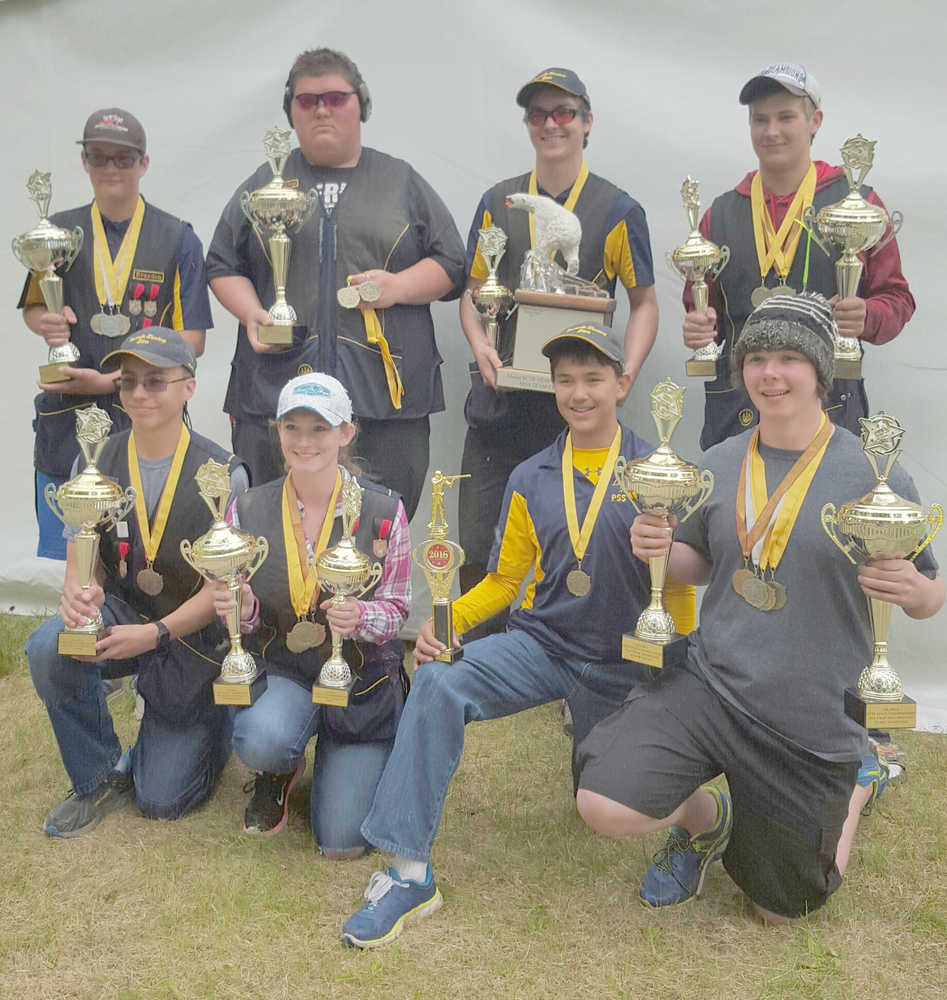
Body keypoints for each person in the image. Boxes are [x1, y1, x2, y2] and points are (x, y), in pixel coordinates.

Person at [576, 293, 943, 922]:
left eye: (789, 358)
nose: (770, 373)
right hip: (714, 685)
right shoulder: (719, 463)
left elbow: (930, 592)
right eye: (757, 357)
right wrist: (660, 549)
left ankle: (858, 778)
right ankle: (708, 817)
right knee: (602, 804)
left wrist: (916, 591)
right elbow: (701, 564)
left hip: (810, 715)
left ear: (821, 372)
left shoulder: (872, 475)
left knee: (781, 911)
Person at [341, 321, 692, 948]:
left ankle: (700, 825)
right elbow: (506, 582)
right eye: (565, 382)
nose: (578, 394)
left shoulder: (660, 474)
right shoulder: (532, 476)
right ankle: (409, 872)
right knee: (441, 679)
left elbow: (683, 587)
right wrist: (441, 625)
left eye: (592, 379)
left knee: (603, 797)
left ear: (621, 382)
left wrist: (680, 669)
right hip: (543, 648)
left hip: (626, 666)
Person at [206, 48, 466, 516]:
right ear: (291, 112)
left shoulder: (400, 182)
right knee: (273, 533)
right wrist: (251, 313)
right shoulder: (268, 183)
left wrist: (397, 286)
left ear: (360, 105)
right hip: (276, 397)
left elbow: (453, 265)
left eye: (334, 97)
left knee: (378, 534)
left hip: (384, 404)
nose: (322, 109)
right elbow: (222, 263)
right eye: (307, 101)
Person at [457, 68, 659, 635]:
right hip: (500, 401)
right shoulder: (498, 202)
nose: (551, 124)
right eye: (538, 114)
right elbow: (474, 296)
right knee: (479, 537)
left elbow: (644, 303)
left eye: (563, 112)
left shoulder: (619, 209)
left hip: (579, 408)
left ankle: (579, 661)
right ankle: (479, 659)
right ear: (527, 125)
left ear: (586, 122)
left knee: (585, 540)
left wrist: (627, 372)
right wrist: (481, 348)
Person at [25, 328, 248, 837]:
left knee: (162, 800)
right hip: (124, 614)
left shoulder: (223, 473)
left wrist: (156, 634)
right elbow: (86, 544)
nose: (139, 395)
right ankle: (99, 775)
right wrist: (79, 589)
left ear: (188, 387)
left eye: (155, 381)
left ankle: (216, 724)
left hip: (192, 637)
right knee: (48, 646)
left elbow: (223, 593)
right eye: (128, 383)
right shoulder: (95, 459)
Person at [209, 372, 411, 857]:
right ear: (277, 431)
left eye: (320, 429)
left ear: (346, 433)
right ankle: (279, 767)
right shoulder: (249, 507)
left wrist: (360, 616)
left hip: (360, 682)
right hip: (288, 670)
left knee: (341, 841)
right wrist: (242, 607)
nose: (305, 442)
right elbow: (252, 617)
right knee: (262, 740)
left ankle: (349, 757)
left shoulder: (385, 511)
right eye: (292, 428)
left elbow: (399, 608)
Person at [681, 64, 914, 452]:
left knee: (824, 513)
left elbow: (898, 300)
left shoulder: (858, 205)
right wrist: (699, 328)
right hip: (740, 411)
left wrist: (867, 315)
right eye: (760, 119)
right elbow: (705, 312)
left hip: (828, 409)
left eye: (785, 117)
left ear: (814, 121)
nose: (771, 132)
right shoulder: (718, 215)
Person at [19, 107, 212, 559]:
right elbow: (33, 307)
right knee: (77, 552)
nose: (111, 169)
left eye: (123, 159)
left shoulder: (177, 237)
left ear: (143, 163)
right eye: (99, 157)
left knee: (145, 544)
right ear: (84, 162)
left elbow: (193, 340)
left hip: (146, 414)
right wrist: (43, 322)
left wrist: (113, 382)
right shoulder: (55, 233)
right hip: (68, 414)